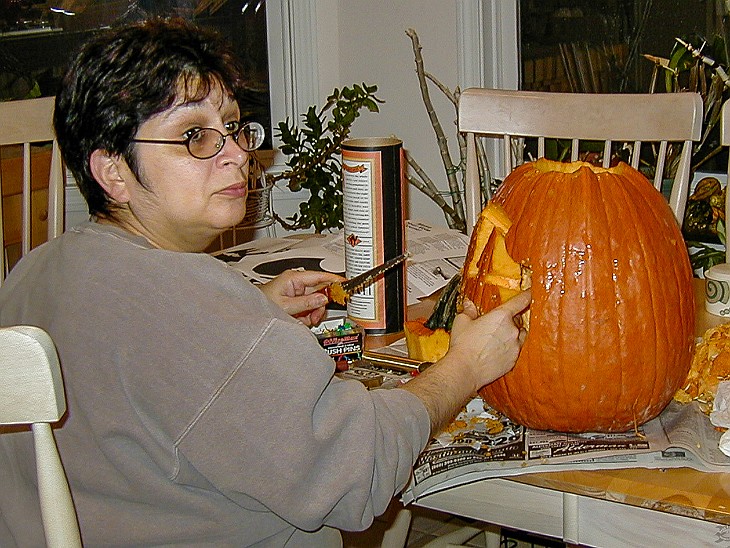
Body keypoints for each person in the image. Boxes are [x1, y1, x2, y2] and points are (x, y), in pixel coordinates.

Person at [0, 18, 530, 547]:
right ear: (113, 172)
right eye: (194, 136)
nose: (235, 153)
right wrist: (465, 366)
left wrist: (249, 313)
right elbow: (358, 471)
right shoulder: (194, 314)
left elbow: (143, 358)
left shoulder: (32, 274)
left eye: (232, 127)